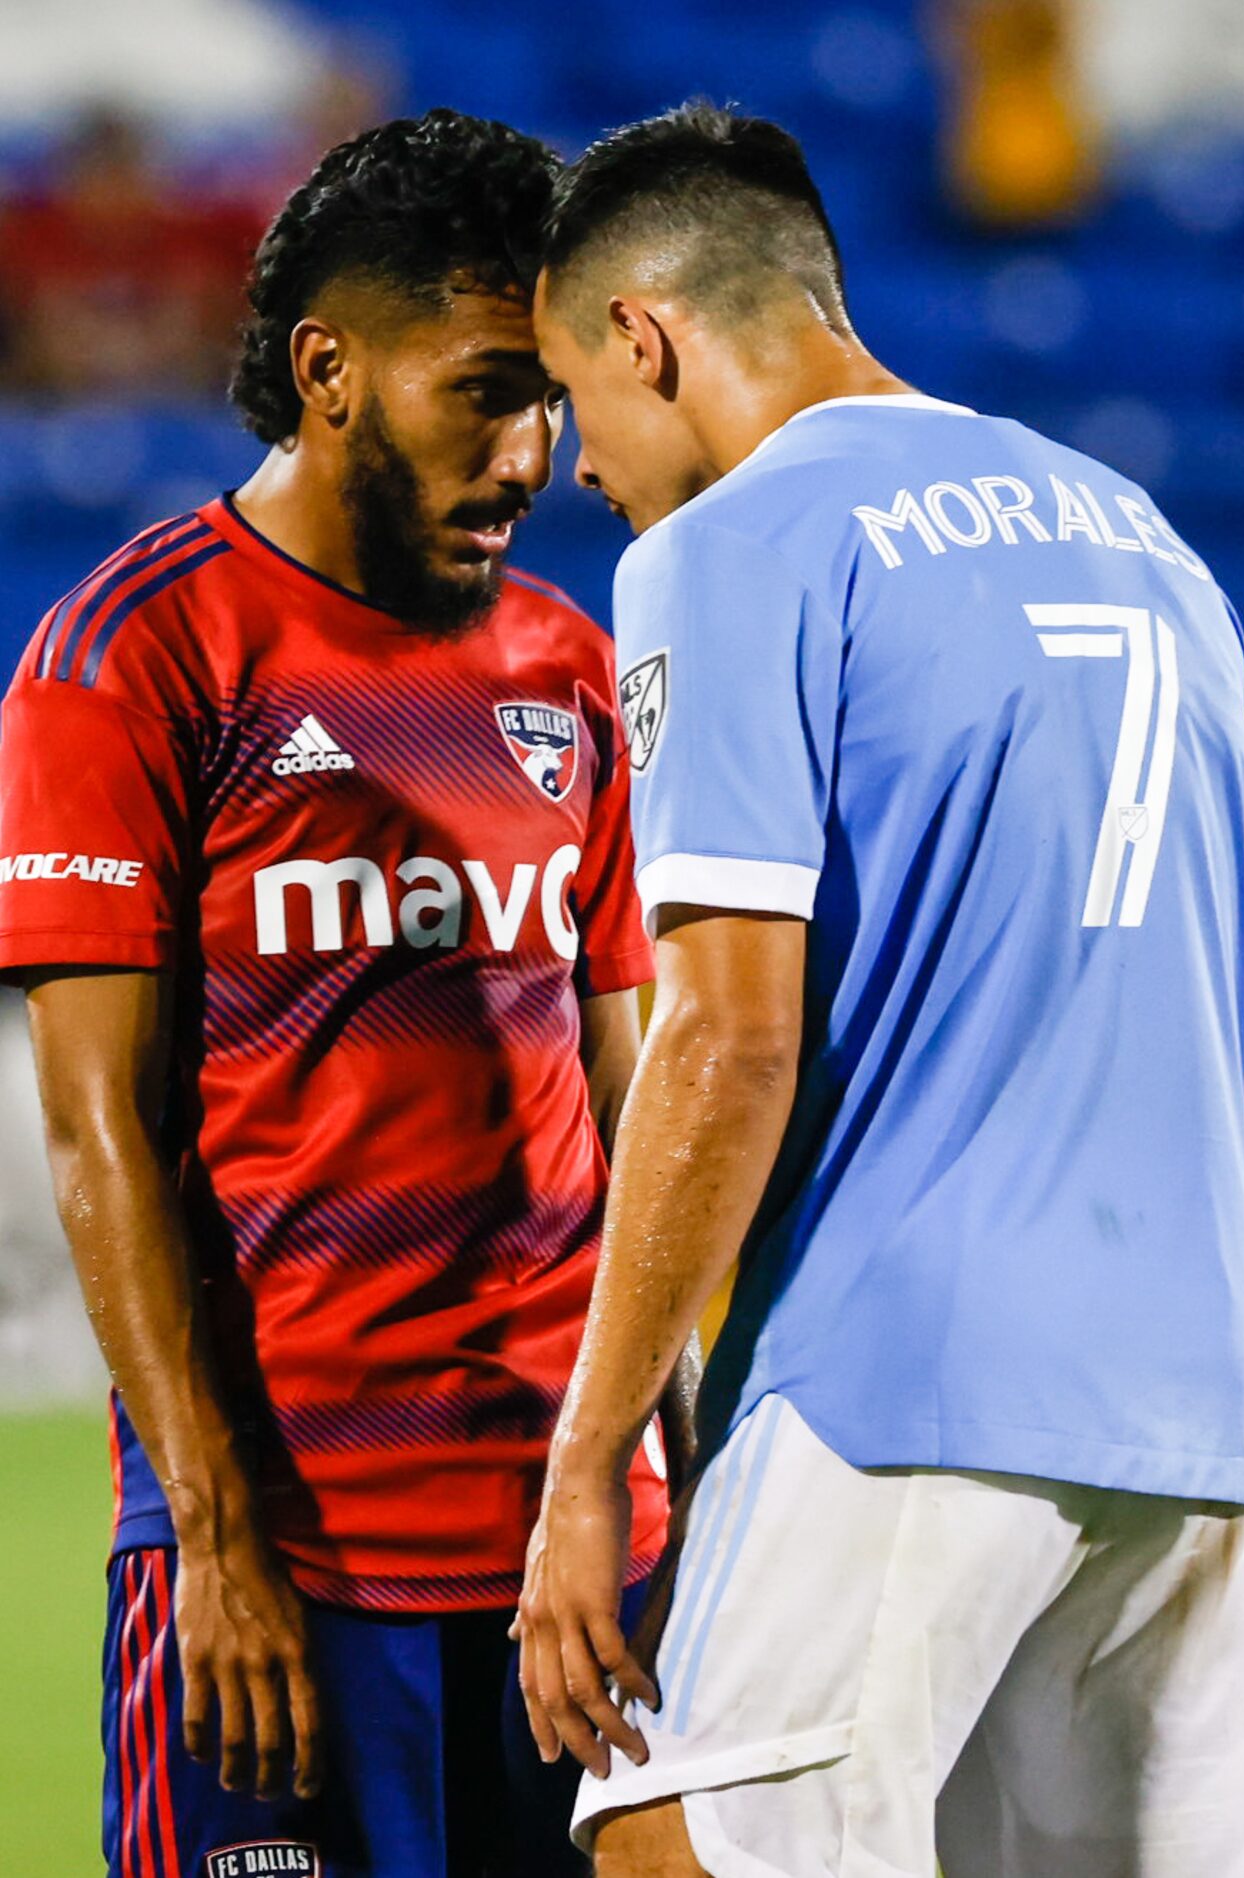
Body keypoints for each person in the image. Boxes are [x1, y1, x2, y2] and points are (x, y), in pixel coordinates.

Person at [514, 102, 1244, 1877]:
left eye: (574, 400)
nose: (576, 464)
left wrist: (591, 1455)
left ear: (646, 335)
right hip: (1204, 1398)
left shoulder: (730, 546)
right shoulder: (1149, 538)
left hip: (906, 1374)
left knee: (673, 1835)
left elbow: (724, 1033)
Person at [0, 111, 689, 1878]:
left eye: (550, 395)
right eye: (483, 389)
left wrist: (676, 1464)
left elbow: (628, 1087)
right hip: (290, 1566)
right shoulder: (132, 654)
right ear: (328, 370)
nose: (536, 449)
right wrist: (211, 1538)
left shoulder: (572, 663)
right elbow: (100, 1129)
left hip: (580, 1556)